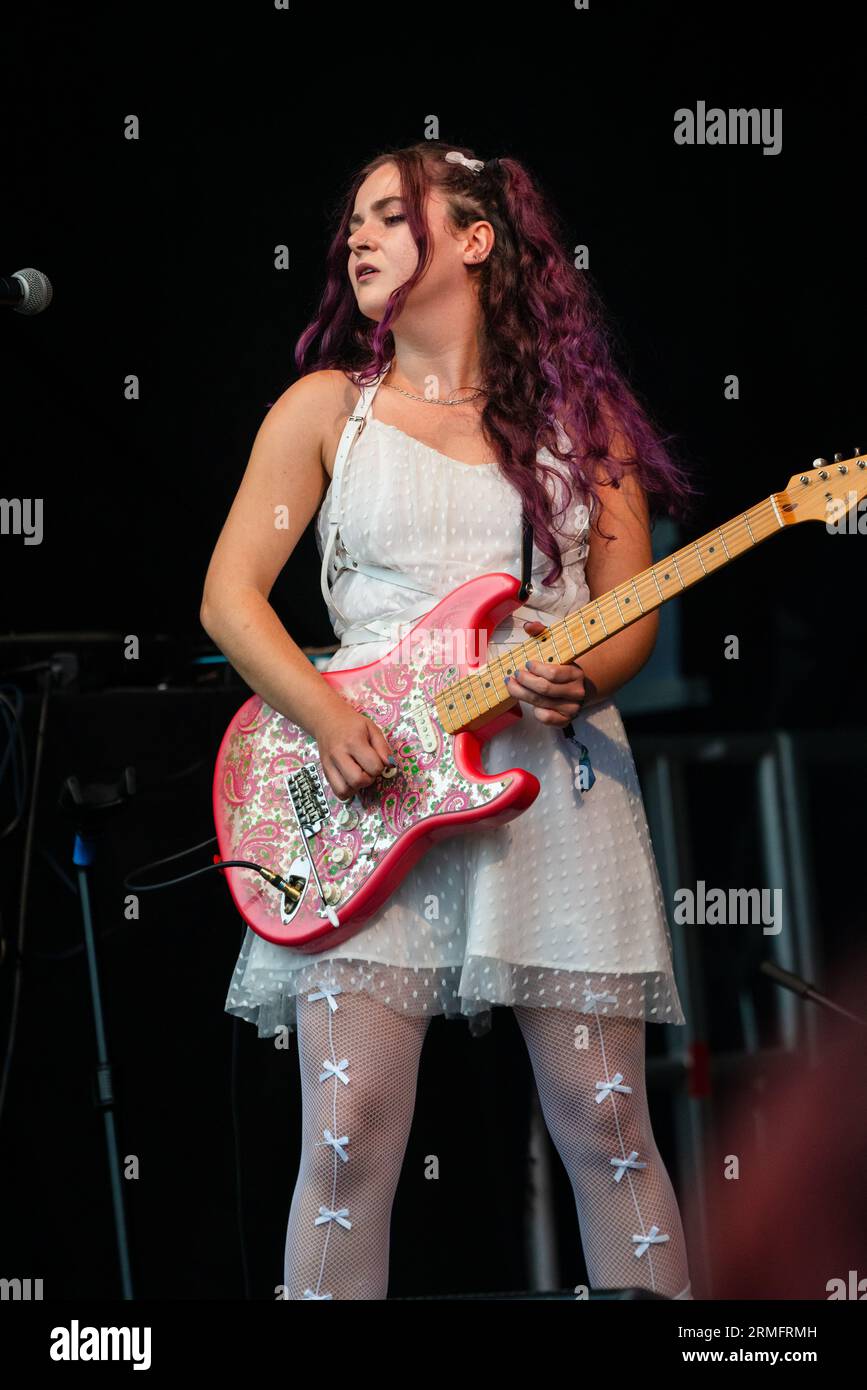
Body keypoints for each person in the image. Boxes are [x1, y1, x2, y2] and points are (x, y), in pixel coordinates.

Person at [201, 140, 696, 1301]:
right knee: (350, 1125)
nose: (356, 236)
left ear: (475, 240)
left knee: (607, 1120)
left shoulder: (583, 419)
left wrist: (586, 676)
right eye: (353, 220)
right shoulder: (330, 409)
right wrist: (324, 715)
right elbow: (230, 598)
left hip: (552, 792)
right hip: (365, 786)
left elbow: (627, 619)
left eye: (389, 213)